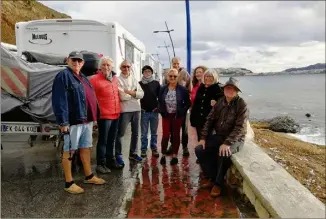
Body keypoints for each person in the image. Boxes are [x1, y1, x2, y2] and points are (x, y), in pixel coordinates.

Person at [52, 51, 105, 194]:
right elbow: (59, 100)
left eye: (79, 61)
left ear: (82, 63)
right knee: (69, 151)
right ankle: (69, 183)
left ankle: (89, 176)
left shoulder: (82, 77)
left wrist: (95, 116)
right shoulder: (63, 76)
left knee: (85, 147)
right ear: (68, 60)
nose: (76, 63)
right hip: (73, 121)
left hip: (86, 120)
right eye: (73, 60)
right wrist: (63, 122)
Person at [195, 77, 248, 198]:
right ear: (224, 89)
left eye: (232, 88)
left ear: (236, 91)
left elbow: (240, 127)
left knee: (223, 153)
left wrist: (227, 143)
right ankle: (211, 176)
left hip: (236, 139)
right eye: (227, 88)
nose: (229, 90)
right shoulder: (220, 102)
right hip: (220, 135)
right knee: (199, 149)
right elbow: (209, 120)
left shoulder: (241, 104)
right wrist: (203, 138)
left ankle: (218, 184)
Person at [90, 56, 123, 173]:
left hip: (116, 113)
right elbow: (90, 97)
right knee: (103, 140)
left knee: (111, 139)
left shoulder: (114, 79)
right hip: (104, 115)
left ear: (112, 67)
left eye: (108, 65)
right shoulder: (95, 79)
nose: (106, 67)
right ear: (100, 67)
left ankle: (110, 160)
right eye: (103, 64)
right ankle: (100, 163)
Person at [158, 68, 190, 165]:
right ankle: (163, 155)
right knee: (165, 136)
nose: (172, 78)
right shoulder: (163, 88)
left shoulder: (183, 90)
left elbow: (188, 103)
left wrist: (182, 112)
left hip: (177, 116)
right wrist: (161, 111)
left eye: (175, 76)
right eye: (170, 76)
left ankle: (175, 156)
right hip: (166, 116)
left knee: (176, 136)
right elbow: (159, 101)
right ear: (167, 77)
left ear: (178, 77)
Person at [115, 60, 144, 165]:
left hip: (136, 109)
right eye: (124, 66)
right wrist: (134, 93)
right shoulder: (117, 80)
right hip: (125, 111)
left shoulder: (135, 79)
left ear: (130, 68)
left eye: (128, 66)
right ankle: (118, 155)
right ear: (120, 68)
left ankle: (133, 153)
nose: (126, 68)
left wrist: (129, 92)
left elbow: (141, 94)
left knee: (135, 133)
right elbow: (122, 97)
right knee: (121, 134)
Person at [166, 57, 191, 156]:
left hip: (183, 107)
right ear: (172, 63)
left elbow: (190, 88)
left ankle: (185, 147)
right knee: (172, 129)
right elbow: (164, 87)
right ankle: (172, 145)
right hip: (171, 107)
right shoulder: (168, 73)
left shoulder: (185, 74)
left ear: (180, 64)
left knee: (184, 129)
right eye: (174, 63)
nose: (176, 65)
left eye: (177, 63)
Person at [190, 68, 224, 141]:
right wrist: (192, 118)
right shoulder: (201, 87)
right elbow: (196, 103)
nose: (208, 78)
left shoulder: (218, 88)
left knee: (209, 140)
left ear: (214, 77)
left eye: (210, 76)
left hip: (210, 122)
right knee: (200, 139)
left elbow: (224, 105)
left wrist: (217, 104)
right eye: (206, 76)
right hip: (199, 120)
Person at [139, 65, 161, 158]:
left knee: (154, 132)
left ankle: (154, 148)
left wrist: (158, 107)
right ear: (143, 73)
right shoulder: (139, 83)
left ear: (151, 73)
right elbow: (136, 96)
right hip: (144, 112)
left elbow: (160, 97)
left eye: (149, 71)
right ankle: (143, 149)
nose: (147, 73)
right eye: (145, 71)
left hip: (154, 112)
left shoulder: (156, 83)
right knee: (144, 133)